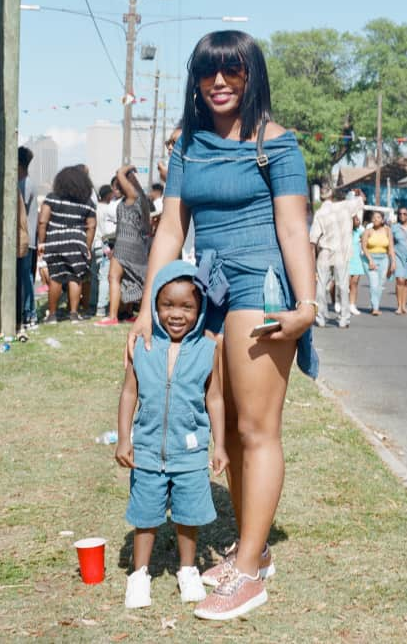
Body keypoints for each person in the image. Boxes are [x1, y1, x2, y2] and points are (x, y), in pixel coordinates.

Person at [127, 31, 316, 620]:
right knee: (227, 430)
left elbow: (291, 228)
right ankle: (247, 550)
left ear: (250, 76)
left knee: (258, 429)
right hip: (206, 291)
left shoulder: (278, 145)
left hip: (259, 290)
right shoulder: (188, 146)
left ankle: (252, 571)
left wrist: (306, 306)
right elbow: (170, 228)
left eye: (232, 72)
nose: (219, 83)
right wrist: (145, 307)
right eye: (209, 73)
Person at [115, 261, 228, 609]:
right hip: (148, 449)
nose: (176, 314)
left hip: (190, 451)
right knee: (145, 515)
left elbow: (215, 398)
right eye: (167, 305)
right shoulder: (143, 346)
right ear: (154, 306)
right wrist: (124, 438)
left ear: (200, 309)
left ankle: (188, 569)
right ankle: (139, 575)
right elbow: (129, 393)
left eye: (187, 307)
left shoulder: (208, 350)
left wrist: (220, 444)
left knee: (188, 514)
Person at [37, 166, 96, 324]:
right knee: (75, 277)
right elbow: (91, 226)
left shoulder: (52, 198)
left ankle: (52, 315)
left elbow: (43, 221)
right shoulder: (87, 203)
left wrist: (42, 242)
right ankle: (74, 313)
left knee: (55, 277)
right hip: (77, 242)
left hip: (55, 240)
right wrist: (87, 247)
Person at [95, 166, 151, 327]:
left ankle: (112, 316)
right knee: (128, 278)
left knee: (113, 277)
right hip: (135, 243)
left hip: (125, 243)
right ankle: (127, 313)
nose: (115, 189)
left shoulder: (132, 196)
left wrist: (127, 169)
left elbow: (119, 172)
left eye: (118, 185)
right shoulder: (139, 198)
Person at [309, 186, 363, 328]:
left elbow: (313, 240)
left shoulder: (320, 213)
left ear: (320, 198)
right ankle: (344, 318)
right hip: (341, 251)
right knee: (343, 285)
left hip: (325, 251)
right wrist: (357, 194)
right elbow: (360, 201)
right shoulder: (344, 207)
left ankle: (320, 317)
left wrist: (311, 261)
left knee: (321, 284)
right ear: (332, 195)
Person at [18, 146, 38, 329]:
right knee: (26, 277)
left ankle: (29, 314)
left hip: (26, 238)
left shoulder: (25, 184)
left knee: (25, 278)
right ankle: (28, 313)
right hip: (28, 238)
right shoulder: (26, 182)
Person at [360, 210, 395, 316]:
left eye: (378, 217)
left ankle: (375, 305)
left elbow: (391, 247)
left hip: (384, 258)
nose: (375, 219)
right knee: (374, 283)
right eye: (374, 217)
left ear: (382, 219)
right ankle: (375, 308)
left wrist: (393, 262)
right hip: (370, 258)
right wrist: (370, 260)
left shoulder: (387, 230)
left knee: (380, 284)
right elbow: (364, 247)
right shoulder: (368, 231)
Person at [94, 184, 118, 318]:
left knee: (94, 277)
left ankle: (91, 304)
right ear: (108, 195)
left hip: (92, 245)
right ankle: (101, 308)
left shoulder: (94, 206)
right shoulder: (108, 209)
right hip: (104, 245)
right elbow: (112, 229)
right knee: (104, 278)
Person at [348, 212, 367, 315]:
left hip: (356, 259)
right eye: (355, 219)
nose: (358, 221)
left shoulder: (360, 231)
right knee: (345, 284)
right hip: (346, 260)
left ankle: (352, 305)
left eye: (358, 219)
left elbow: (365, 241)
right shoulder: (345, 231)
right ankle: (341, 303)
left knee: (354, 283)